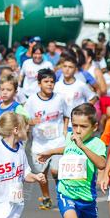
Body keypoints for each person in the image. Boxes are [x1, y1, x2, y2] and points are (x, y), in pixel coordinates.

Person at [37, 102, 107, 218]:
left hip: (87, 198)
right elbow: (67, 148)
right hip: (66, 192)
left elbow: (101, 164)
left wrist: (83, 146)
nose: (77, 130)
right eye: (74, 126)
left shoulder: (97, 144)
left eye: (83, 127)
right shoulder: (70, 137)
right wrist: (50, 152)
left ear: (94, 127)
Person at [24, 68, 69, 210]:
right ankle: (46, 198)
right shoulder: (31, 100)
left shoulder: (59, 99)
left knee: (56, 171)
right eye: (46, 82)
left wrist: (65, 130)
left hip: (57, 141)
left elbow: (66, 115)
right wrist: (31, 122)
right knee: (41, 174)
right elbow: (24, 119)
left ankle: (61, 193)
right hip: (39, 143)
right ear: (39, 83)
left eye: (52, 82)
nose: (49, 84)